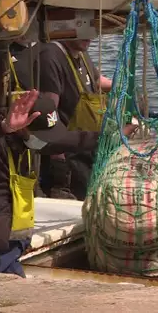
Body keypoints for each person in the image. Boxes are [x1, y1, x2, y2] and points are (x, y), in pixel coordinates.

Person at [0, 90, 137, 277]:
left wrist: (110, 136)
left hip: (6, 246)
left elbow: (71, 141)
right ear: (22, 128)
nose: (45, 143)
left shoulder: (29, 141)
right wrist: (3, 128)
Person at [37, 39, 112, 200]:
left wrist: (123, 85)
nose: (89, 37)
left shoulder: (82, 52)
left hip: (90, 145)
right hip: (71, 154)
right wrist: (58, 157)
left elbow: (96, 81)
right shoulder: (51, 55)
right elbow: (50, 111)